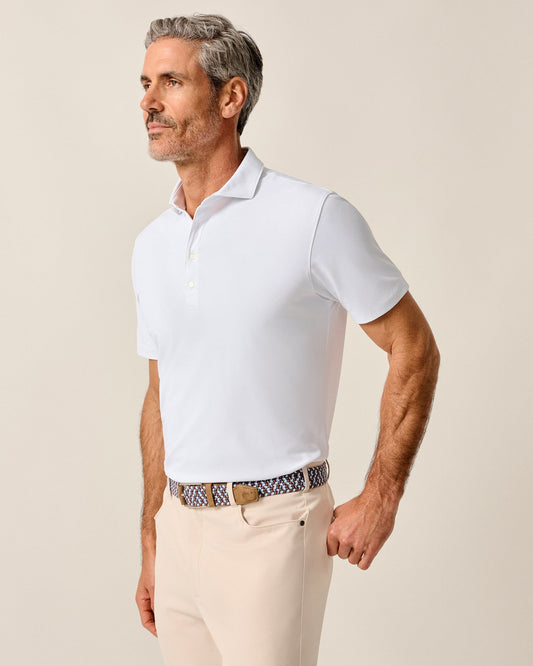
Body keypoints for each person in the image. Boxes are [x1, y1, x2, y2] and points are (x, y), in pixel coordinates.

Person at [132, 13, 440, 666]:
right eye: (145, 83)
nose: (148, 102)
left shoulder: (312, 217)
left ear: (231, 97)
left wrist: (381, 496)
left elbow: (412, 346)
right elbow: (161, 393)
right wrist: (152, 534)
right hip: (179, 530)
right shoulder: (152, 245)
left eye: (171, 82)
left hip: (272, 529)